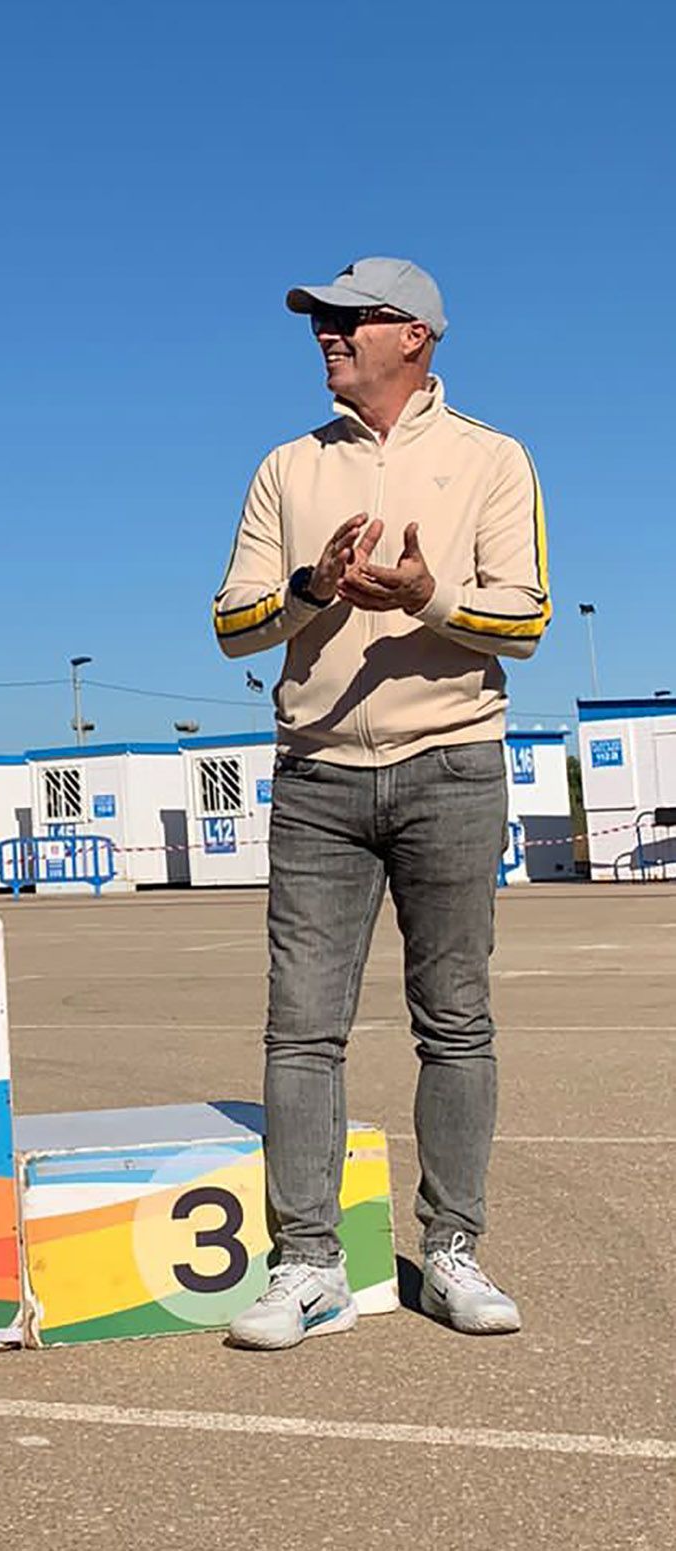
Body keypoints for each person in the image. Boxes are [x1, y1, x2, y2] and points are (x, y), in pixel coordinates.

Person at [213, 259, 550, 1349]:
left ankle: (450, 1252)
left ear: (413, 335)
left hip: (451, 765)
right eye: (319, 321)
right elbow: (230, 623)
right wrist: (310, 588)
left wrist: (423, 596)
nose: (326, 336)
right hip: (313, 776)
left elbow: (524, 620)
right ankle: (306, 1264)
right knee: (299, 1028)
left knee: (453, 1023)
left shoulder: (490, 461)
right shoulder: (283, 467)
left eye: (347, 321)